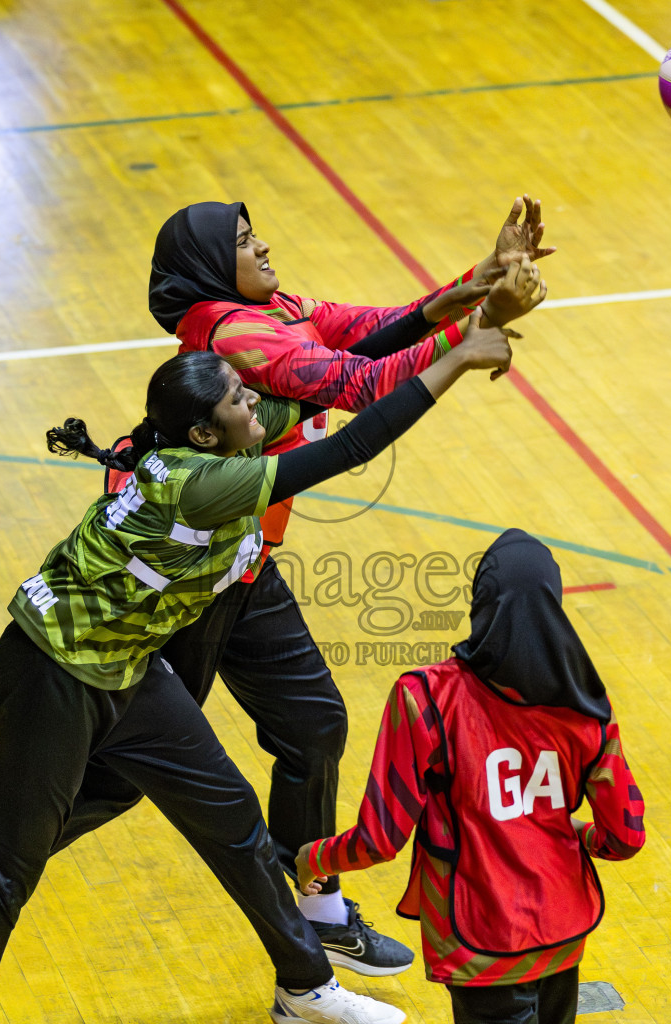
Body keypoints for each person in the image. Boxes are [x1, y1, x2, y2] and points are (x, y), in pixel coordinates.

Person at [0, 328, 516, 1024]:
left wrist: (462, 317)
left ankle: (305, 986)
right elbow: (353, 446)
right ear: (205, 433)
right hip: (53, 668)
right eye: (240, 398)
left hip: (129, 665)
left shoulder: (227, 440)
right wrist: (460, 359)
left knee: (232, 814)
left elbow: (341, 382)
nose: (256, 403)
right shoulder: (202, 483)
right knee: (8, 870)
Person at [106, 197, 552, 974]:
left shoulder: (270, 308)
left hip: (244, 564)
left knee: (313, 725)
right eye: (244, 241)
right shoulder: (233, 334)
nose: (263, 247)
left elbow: (372, 328)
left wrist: (481, 279)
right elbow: (360, 383)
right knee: (111, 782)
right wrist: (476, 331)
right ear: (211, 266)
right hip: (185, 585)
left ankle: (318, 913)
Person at [294, 529, 648, 1024]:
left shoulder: (426, 697)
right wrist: (578, 831)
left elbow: (380, 840)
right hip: (563, 931)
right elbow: (625, 836)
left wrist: (314, 857)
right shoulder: (585, 703)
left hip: (480, 935)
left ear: (481, 601)